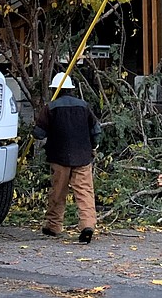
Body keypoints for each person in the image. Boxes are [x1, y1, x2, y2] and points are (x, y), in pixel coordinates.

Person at [33, 71, 102, 244]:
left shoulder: (50, 108)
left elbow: (39, 134)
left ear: (55, 89)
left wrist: (35, 132)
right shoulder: (84, 106)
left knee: (58, 192)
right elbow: (96, 131)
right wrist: (93, 146)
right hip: (83, 157)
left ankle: (54, 226)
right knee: (85, 192)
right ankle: (87, 225)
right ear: (71, 89)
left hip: (59, 157)